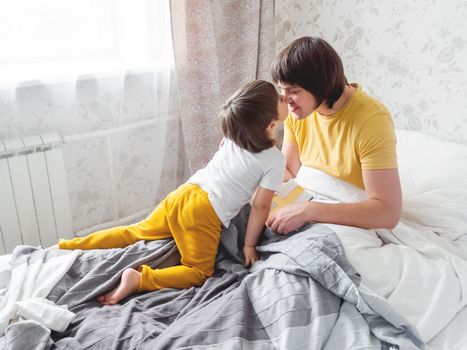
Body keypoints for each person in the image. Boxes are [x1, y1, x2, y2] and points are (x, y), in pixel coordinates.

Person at [58, 80, 288, 305]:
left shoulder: (235, 134)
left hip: (185, 192)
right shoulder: (274, 160)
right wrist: (249, 245)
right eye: (280, 98)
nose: (284, 97)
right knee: (198, 272)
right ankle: (139, 279)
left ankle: (69, 246)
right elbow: (260, 206)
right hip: (204, 212)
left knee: (134, 232)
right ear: (270, 125)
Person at [267, 36, 402, 234]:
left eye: (293, 91)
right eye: (281, 89)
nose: (285, 99)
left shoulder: (372, 120)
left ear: (322, 85)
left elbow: (387, 212)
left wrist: (310, 211)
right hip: (307, 200)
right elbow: (289, 170)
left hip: (345, 211)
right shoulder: (298, 111)